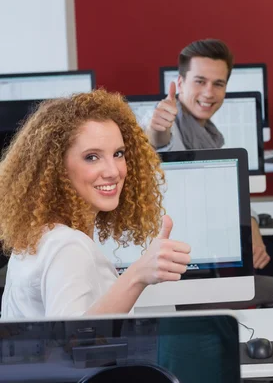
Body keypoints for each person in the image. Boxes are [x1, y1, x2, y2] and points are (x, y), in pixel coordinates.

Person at [0, 90, 192, 318]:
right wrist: (138, 274)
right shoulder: (67, 246)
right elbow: (73, 343)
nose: (113, 171)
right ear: (56, 167)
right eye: (92, 157)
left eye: (118, 154)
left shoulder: (39, 236)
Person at [147, 38, 273, 308]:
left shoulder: (209, 136)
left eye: (218, 84)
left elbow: (227, 193)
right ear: (179, 84)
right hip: (180, 274)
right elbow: (161, 147)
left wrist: (253, 227)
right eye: (199, 81)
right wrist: (157, 128)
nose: (209, 92)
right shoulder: (173, 127)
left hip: (204, 255)